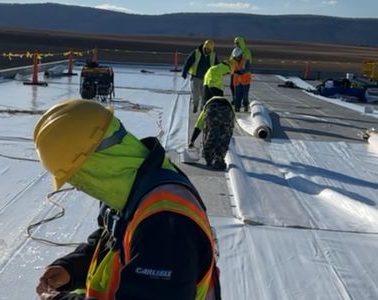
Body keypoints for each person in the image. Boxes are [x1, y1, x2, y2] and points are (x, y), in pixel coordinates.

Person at [33, 100, 221, 300]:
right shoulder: (138, 182)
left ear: (92, 163)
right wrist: (72, 267)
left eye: (76, 177)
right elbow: (112, 240)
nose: (79, 187)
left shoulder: (165, 223)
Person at [188, 96, 235, 171]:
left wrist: (192, 141)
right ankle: (219, 160)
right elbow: (231, 125)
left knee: (211, 134)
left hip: (212, 110)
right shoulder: (228, 103)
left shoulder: (207, 105)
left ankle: (209, 158)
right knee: (225, 137)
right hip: (227, 110)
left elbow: (199, 125)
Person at [182, 40, 218, 113]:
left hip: (207, 79)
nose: (207, 50)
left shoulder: (213, 55)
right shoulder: (196, 53)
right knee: (195, 93)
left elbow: (216, 66)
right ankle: (195, 105)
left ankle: (203, 108)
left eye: (209, 49)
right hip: (196, 77)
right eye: (206, 48)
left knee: (204, 94)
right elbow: (188, 62)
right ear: (204, 47)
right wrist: (184, 72)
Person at [229, 36, 253, 103]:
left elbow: (248, 61)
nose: (236, 44)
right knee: (232, 85)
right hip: (234, 70)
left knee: (242, 87)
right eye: (235, 43)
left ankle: (242, 100)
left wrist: (243, 70)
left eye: (237, 43)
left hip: (242, 72)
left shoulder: (246, 51)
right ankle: (235, 99)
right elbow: (231, 58)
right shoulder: (235, 50)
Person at [231, 47, 252, 112]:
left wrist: (240, 72)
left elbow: (247, 69)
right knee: (237, 95)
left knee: (245, 95)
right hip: (237, 82)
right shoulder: (232, 62)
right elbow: (230, 70)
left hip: (245, 82)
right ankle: (237, 107)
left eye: (238, 57)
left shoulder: (245, 61)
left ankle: (246, 106)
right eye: (235, 57)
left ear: (240, 55)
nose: (236, 58)